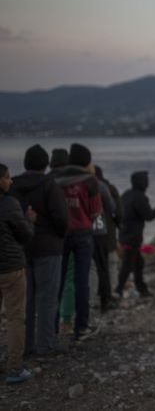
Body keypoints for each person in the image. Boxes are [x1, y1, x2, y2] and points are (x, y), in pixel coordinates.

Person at [9, 145, 69, 356]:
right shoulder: (49, 185)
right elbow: (61, 218)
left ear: (26, 163)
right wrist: (57, 233)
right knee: (47, 298)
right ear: (45, 164)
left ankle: (25, 345)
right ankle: (45, 345)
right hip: (48, 246)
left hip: (21, 249)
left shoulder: (12, 186)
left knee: (27, 300)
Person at [53, 142, 102, 341]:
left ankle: (52, 326)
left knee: (58, 279)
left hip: (60, 233)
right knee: (82, 281)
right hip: (83, 233)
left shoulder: (55, 179)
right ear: (86, 161)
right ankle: (81, 327)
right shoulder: (90, 181)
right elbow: (96, 211)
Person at [1, 163, 37, 384]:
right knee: (15, 318)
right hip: (11, 268)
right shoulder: (9, 204)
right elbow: (25, 235)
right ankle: (15, 368)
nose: (11, 181)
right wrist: (30, 221)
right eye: (6, 177)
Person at [116, 171, 155, 298]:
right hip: (132, 238)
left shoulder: (126, 194)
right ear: (142, 182)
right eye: (146, 180)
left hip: (124, 235)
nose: (148, 183)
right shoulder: (139, 197)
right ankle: (118, 290)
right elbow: (149, 216)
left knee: (138, 263)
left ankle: (141, 290)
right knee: (128, 265)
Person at [94, 166, 122, 311]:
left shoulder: (84, 186)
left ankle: (94, 297)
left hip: (91, 233)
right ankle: (111, 293)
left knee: (95, 267)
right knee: (110, 264)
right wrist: (120, 225)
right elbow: (117, 210)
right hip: (108, 232)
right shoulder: (109, 188)